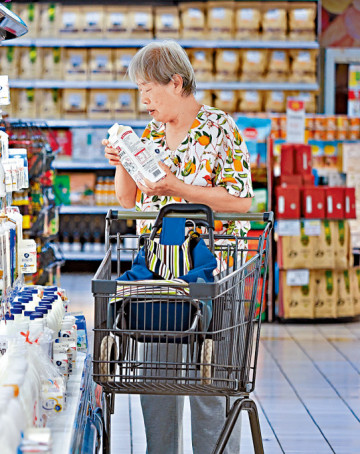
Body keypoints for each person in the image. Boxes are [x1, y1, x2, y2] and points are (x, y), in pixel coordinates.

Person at [102, 41, 254, 454]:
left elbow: (241, 202)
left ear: (176, 81)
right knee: (158, 380)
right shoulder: (148, 136)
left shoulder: (221, 129)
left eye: (148, 88)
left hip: (214, 273)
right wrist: (121, 162)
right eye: (139, 90)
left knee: (210, 382)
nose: (144, 99)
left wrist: (177, 188)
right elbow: (128, 201)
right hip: (158, 271)